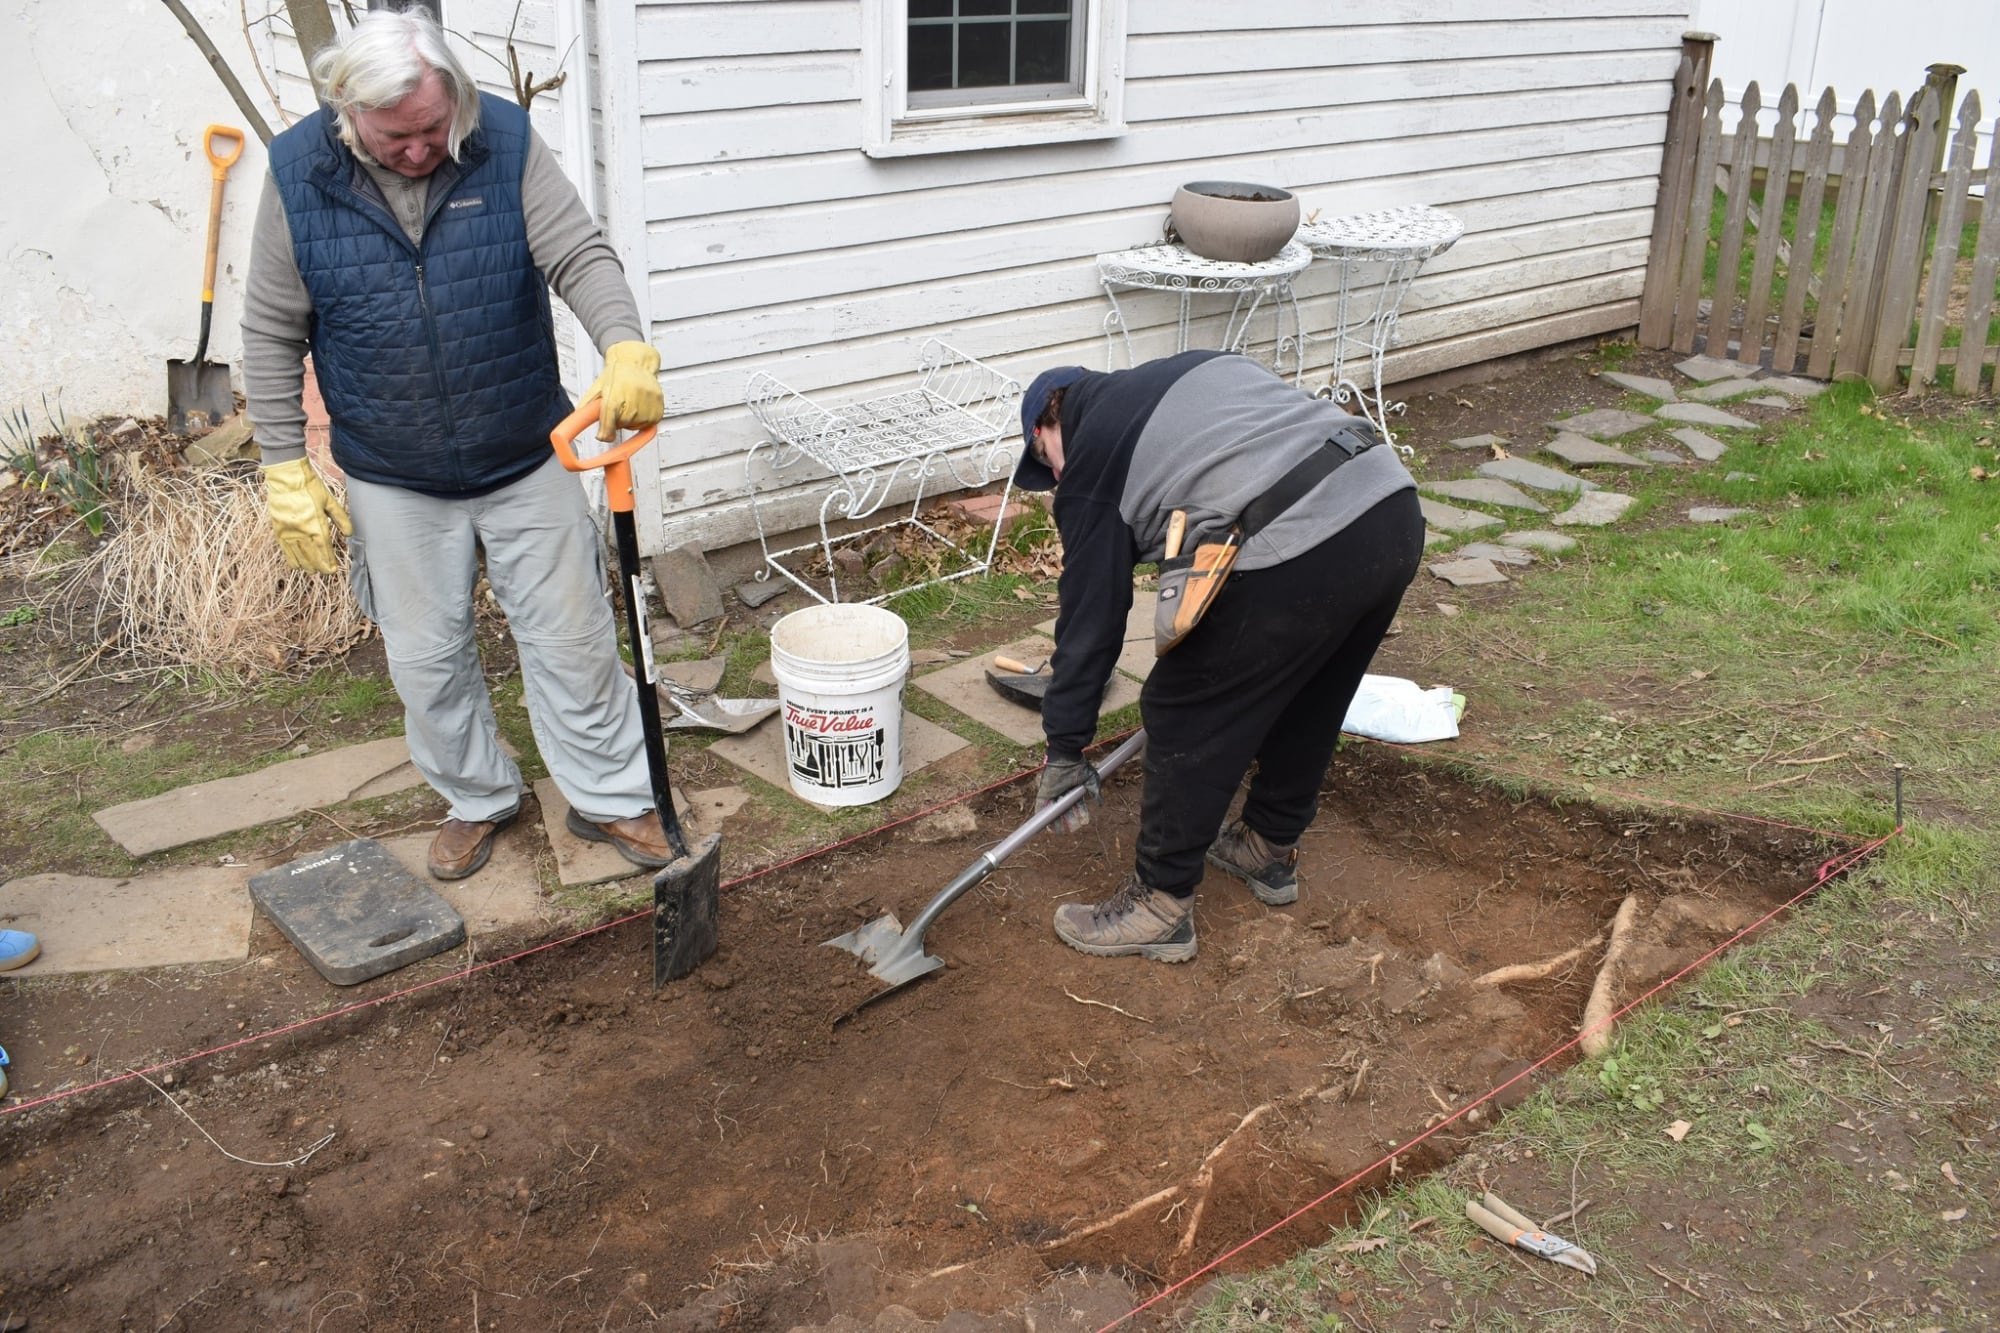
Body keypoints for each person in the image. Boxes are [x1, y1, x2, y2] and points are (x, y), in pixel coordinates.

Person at [242, 8, 674, 882]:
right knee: (427, 657)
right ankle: (479, 795)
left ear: (456, 101)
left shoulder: (503, 141)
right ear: (346, 110)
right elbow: (268, 330)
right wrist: (283, 460)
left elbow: (581, 257)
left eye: (434, 127)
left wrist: (623, 340)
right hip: (392, 473)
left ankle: (611, 792)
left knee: (574, 637)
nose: (419, 148)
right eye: (396, 134)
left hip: (525, 448)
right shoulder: (297, 174)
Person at [1016, 351, 1424, 962]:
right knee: (1312, 690)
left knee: (1183, 707)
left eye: (1046, 463)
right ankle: (1266, 847)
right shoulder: (1187, 373)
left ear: (1047, 424)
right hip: (1388, 506)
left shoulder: (1092, 455)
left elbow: (1091, 620)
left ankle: (1158, 904)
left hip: (1300, 535)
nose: (1056, 481)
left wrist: (1066, 748)